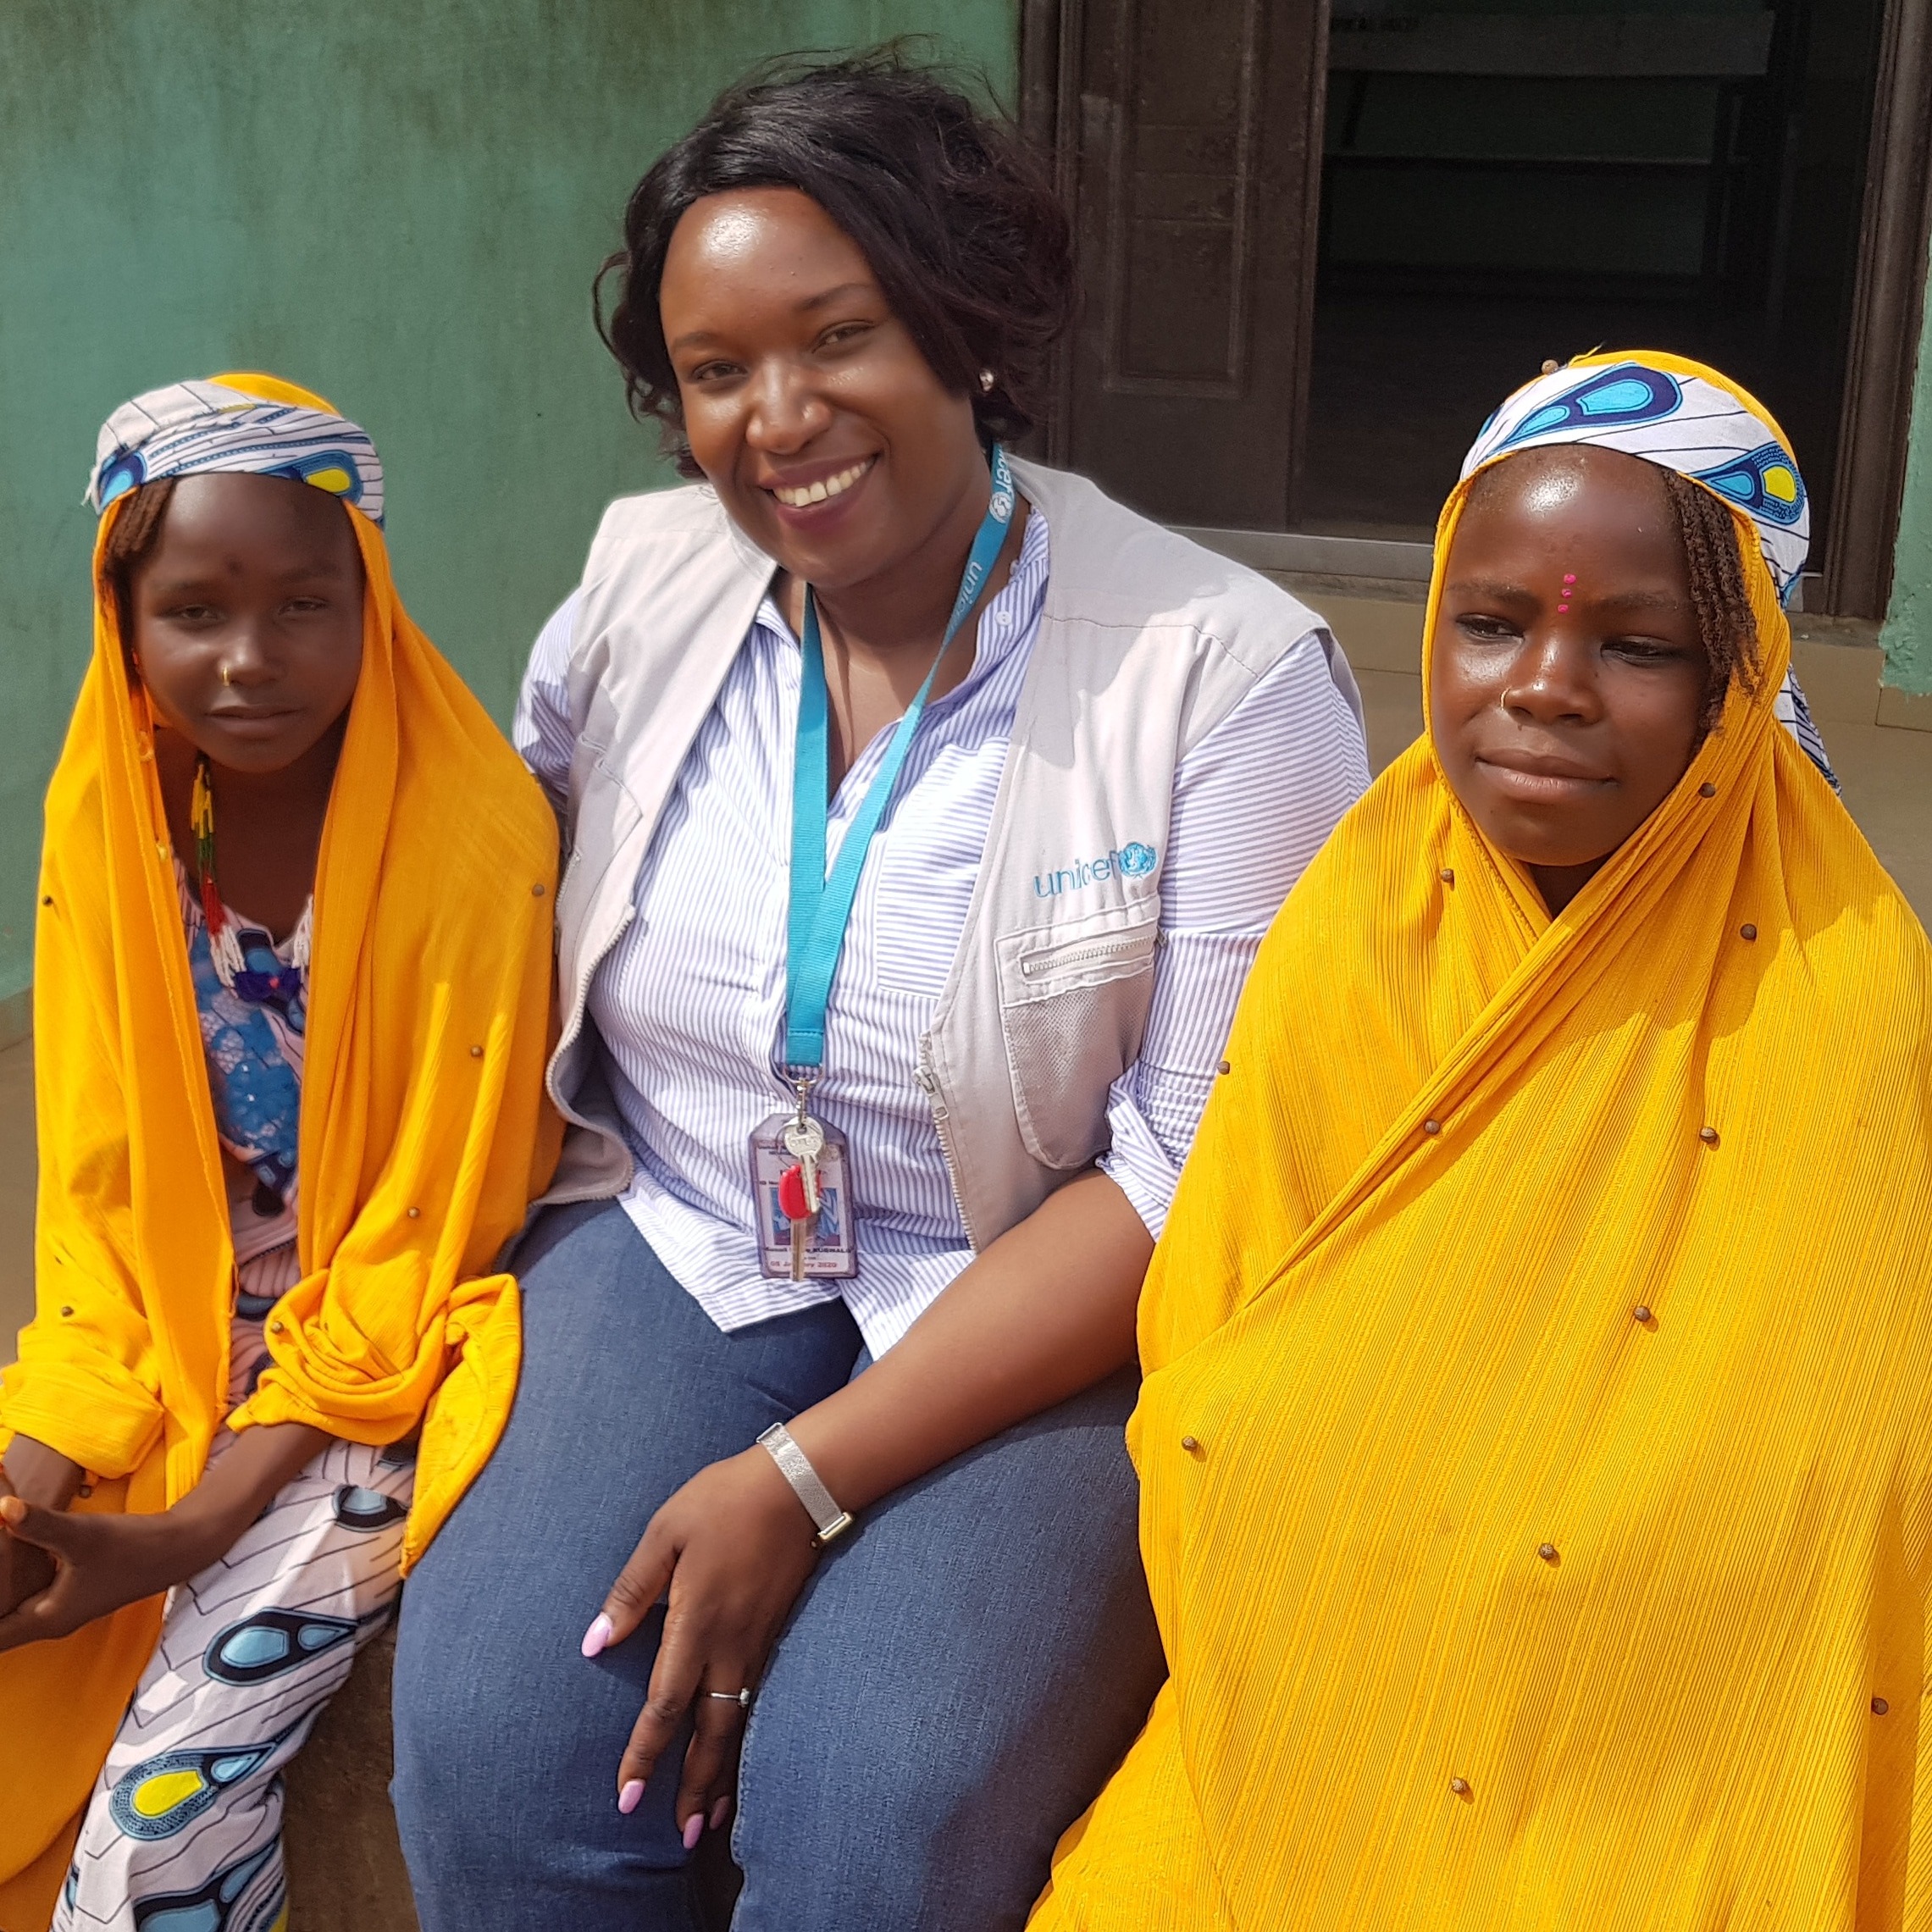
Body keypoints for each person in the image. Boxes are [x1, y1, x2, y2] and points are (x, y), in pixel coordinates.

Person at [389, 51, 1371, 1932]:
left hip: (1043, 1287)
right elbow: (493, 863)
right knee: (508, 1740)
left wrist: (800, 1475)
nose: (778, 419)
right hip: (686, 1234)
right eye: (713, 371)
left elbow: (1188, 1170)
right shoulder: (638, 582)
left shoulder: (1221, 675)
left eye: (835, 336)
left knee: (881, 1797)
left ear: (963, 327)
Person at [1026, 351, 1932, 1929]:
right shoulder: (1360, 914)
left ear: (1742, 676)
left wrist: (1551, 1558)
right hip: (1308, 1699)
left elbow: (1837, 1484)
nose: (1544, 684)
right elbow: (1226, 1334)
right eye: (1492, 620)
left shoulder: (1840, 989)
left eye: (1637, 643)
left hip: (1652, 1763)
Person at [0, 374, 561, 1932]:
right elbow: (103, 1215)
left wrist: (179, 1534)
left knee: (157, 1830)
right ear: (124, 618)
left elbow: (418, 1246)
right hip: (187, 1315)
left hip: (385, 1356)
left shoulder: (472, 844)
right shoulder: (116, 829)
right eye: (194, 608)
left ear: (370, 595)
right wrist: (32, 1466)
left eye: (305, 602)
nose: (249, 660)